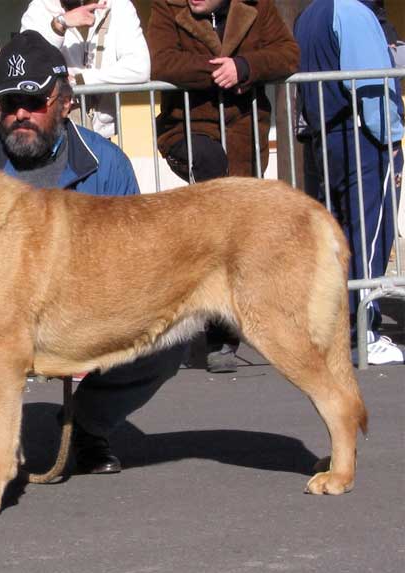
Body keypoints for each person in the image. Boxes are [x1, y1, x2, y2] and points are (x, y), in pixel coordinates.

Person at [0, 30, 185, 484]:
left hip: (85, 311)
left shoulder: (107, 163)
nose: (19, 114)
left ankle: (88, 429)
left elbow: (137, 255)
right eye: (8, 102)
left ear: (65, 100)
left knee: (171, 330)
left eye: (33, 102)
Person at [147, 0, 300, 372]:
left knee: (240, 235)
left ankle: (229, 332)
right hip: (188, 127)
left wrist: (245, 67)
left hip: (244, 133)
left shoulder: (257, 7)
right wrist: (217, 71)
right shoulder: (168, 9)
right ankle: (212, 331)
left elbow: (288, 54)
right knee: (215, 220)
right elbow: (159, 60)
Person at [295, 0, 404, 365]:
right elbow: (372, 84)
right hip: (361, 140)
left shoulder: (309, 13)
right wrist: (390, 138)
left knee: (337, 241)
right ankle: (365, 333)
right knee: (369, 237)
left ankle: (337, 332)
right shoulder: (354, 13)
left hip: (327, 139)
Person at [20, 0, 150, 138]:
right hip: (53, 131)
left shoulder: (119, 5)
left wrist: (80, 80)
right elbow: (29, 66)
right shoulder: (40, 7)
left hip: (101, 135)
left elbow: (139, 68)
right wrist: (59, 25)